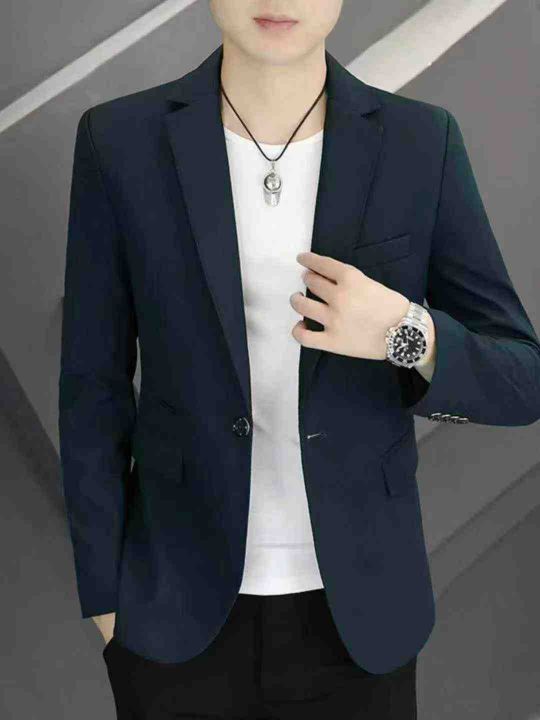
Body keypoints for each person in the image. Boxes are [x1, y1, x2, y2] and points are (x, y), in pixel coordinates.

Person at [58, 1, 540, 718]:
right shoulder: (118, 140)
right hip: (171, 616)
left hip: (362, 620)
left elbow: (521, 380)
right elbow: (92, 389)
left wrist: (403, 332)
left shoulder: (420, 141)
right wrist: (106, 600)